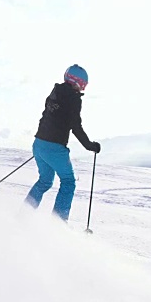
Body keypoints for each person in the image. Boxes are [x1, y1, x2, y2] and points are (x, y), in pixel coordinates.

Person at [24, 64, 101, 222]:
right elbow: (76, 126)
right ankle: (58, 223)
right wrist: (90, 146)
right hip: (54, 148)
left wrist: (43, 143)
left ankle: (23, 214)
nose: (82, 89)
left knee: (45, 181)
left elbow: (47, 117)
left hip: (39, 144)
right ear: (77, 82)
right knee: (68, 182)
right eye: (83, 85)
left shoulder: (55, 93)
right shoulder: (73, 99)